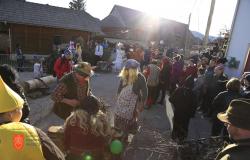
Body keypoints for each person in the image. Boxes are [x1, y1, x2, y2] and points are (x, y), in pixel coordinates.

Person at [0, 76, 65, 160]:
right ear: (10, 114)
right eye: (20, 108)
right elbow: (58, 157)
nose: (22, 111)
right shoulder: (31, 131)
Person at [64, 95, 113, 160]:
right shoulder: (102, 121)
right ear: (97, 109)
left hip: (74, 157)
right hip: (96, 157)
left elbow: (66, 142)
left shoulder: (72, 120)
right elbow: (106, 142)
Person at [115, 59, 148, 139]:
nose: (127, 70)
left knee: (128, 119)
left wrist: (143, 103)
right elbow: (120, 87)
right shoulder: (125, 74)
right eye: (126, 69)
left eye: (129, 69)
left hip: (131, 103)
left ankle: (125, 135)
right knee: (119, 117)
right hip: (121, 101)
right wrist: (117, 96)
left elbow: (145, 91)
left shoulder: (140, 78)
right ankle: (118, 132)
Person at [169, 76, 196, 143]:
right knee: (184, 125)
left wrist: (176, 105)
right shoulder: (193, 93)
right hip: (187, 114)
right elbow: (194, 105)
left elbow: (171, 99)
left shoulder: (179, 89)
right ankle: (182, 138)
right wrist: (192, 114)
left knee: (176, 123)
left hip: (178, 111)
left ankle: (174, 136)